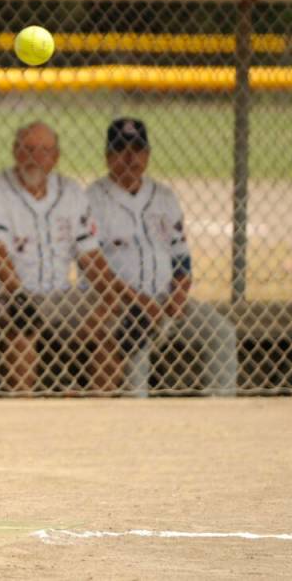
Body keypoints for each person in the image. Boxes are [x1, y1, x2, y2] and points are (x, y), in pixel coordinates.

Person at [87, 118, 238, 396]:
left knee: (222, 333)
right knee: (137, 332)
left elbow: (181, 256)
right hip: (117, 304)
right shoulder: (92, 199)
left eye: (137, 149)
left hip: (167, 300)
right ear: (107, 156)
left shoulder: (164, 197)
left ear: (148, 154)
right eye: (121, 149)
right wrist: (138, 301)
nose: (130, 157)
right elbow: (93, 268)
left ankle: (222, 408)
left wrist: (179, 294)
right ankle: (137, 413)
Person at [0, 122, 121, 393]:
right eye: (28, 149)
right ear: (15, 152)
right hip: (5, 294)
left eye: (44, 151)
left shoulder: (72, 192)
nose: (35, 158)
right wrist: (17, 294)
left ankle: (102, 413)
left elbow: (91, 257)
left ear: (56, 157)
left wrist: (112, 296)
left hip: (60, 295)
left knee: (111, 329)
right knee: (23, 326)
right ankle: (25, 412)